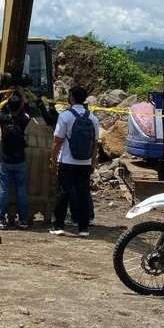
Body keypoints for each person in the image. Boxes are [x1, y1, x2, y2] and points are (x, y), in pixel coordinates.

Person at [50, 85, 100, 237]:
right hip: (84, 163)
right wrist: (92, 162)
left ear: (71, 97)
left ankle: (58, 226)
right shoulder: (92, 117)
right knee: (83, 193)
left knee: (63, 193)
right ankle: (83, 228)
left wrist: (53, 159)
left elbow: (57, 140)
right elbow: (95, 143)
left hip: (67, 161)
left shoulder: (65, 116)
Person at [0, 92, 31, 230]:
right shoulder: (24, 119)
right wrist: (23, 98)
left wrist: (5, 98)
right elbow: (28, 110)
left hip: (5, 160)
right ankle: (23, 220)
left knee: (4, 190)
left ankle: (1, 219)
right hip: (20, 160)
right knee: (22, 191)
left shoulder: (2, 117)